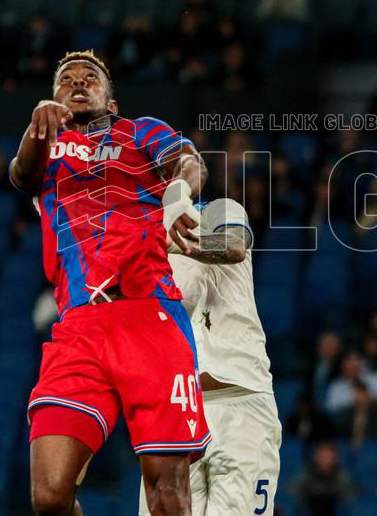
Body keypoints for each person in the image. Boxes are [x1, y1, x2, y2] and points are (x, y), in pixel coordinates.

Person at [9, 50, 209, 515]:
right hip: (78, 328)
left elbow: (189, 160)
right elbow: (22, 173)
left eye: (90, 78)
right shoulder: (47, 151)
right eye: (66, 80)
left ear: (112, 102)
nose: (78, 84)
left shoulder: (140, 130)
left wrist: (178, 193)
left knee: (167, 491)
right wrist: (36, 127)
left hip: (151, 316)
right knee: (50, 497)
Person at [137, 198, 281, 516]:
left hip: (240, 402)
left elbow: (234, 246)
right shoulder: (135, 238)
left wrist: (165, 242)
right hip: (174, 411)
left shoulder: (215, 210)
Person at [290, 442, 357, 516]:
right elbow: (292, 494)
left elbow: (350, 498)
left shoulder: (343, 476)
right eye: (322, 456)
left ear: (335, 458)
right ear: (315, 457)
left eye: (328, 457)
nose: (325, 460)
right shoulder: (304, 475)